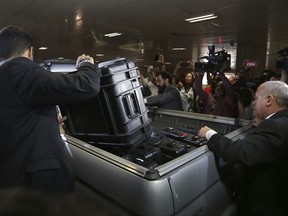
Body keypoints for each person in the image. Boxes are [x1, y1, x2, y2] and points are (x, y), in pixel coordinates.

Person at [0, 25, 101, 193]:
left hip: (11, 179)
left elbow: (16, 117)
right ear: (30, 52)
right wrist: (86, 65)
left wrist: (48, 120)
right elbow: (86, 86)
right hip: (36, 183)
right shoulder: (18, 67)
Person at [198, 80, 288, 216]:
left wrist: (210, 134)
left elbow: (242, 152)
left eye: (256, 98)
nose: (253, 103)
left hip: (267, 204)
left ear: (269, 100)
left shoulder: (275, 127)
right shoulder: (279, 122)